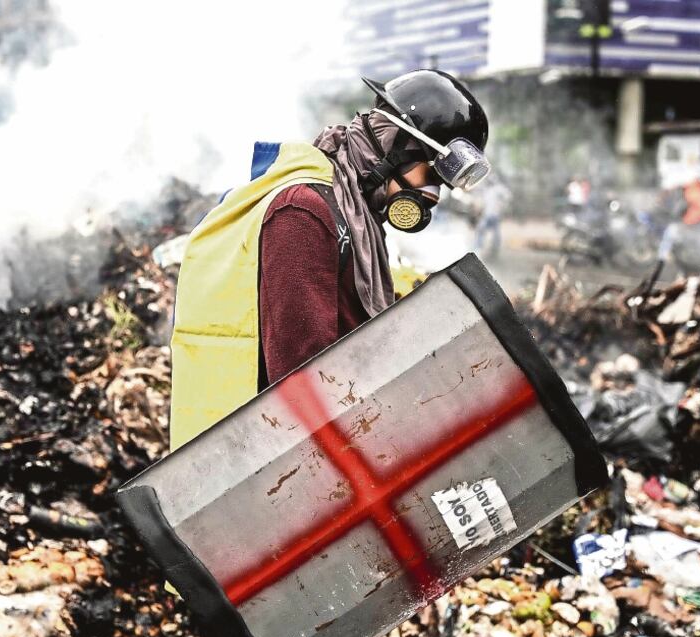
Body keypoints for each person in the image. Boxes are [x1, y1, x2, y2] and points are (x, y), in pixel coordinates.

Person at [169, 69, 491, 452]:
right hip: (269, 467)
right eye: (431, 174)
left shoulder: (356, 217)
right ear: (394, 146)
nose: (433, 195)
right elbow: (301, 381)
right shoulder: (304, 213)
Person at [475, 173, 510, 259]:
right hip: (487, 214)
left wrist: (502, 204)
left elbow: (508, 196)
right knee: (481, 229)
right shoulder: (487, 190)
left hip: (495, 215)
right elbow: (481, 200)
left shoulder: (499, 189)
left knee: (496, 234)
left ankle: (495, 250)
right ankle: (478, 248)